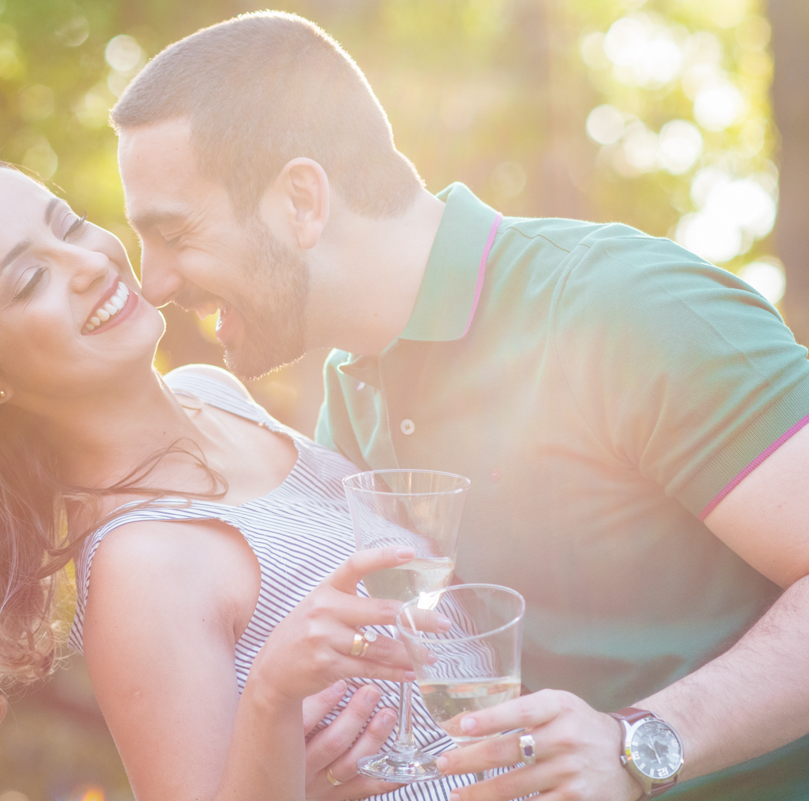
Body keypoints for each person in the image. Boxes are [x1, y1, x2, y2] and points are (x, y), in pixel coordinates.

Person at [113, 11, 809, 801]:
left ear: (301, 200)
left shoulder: (622, 306)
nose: (154, 282)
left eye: (173, 234)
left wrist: (642, 739)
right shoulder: (352, 398)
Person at [0, 144, 484, 801]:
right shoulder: (141, 565)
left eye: (67, 223)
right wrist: (272, 698)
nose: (85, 262)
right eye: (28, 280)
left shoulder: (212, 392)